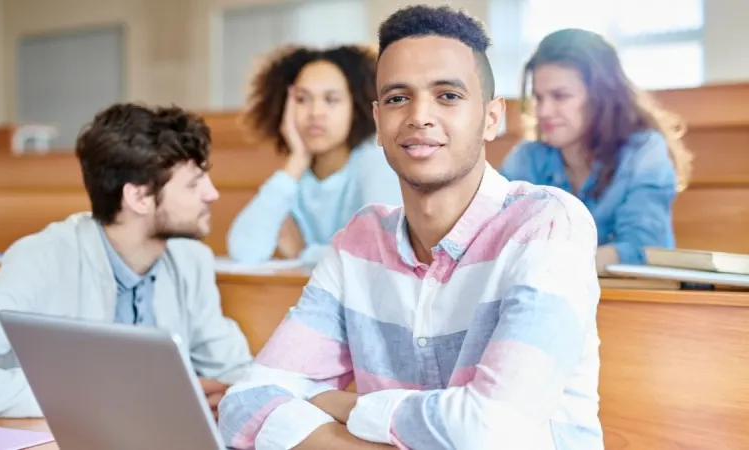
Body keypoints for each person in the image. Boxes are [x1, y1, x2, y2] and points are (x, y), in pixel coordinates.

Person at [218, 5, 603, 450]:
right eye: (399, 98)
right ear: (379, 121)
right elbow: (245, 403)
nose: (419, 116)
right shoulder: (358, 242)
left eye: (448, 96)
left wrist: (349, 406)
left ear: (492, 117)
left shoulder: (547, 224)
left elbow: (493, 430)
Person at [0, 104, 253, 419]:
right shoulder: (42, 258)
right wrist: (94, 397)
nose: (213, 194)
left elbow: (235, 369)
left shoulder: (191, 260)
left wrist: (233, 391)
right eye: (193, 183)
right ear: (139, 198)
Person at [499, 28, 693, 273]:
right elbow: (493, 241)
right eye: (539, 97)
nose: (544, 111)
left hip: (630, 301)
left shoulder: (644, 151)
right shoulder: (526, 158)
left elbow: (642, 250)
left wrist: (545, 264)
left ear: (602, 97)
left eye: (560, 96)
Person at [227, 44, 402, 265]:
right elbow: (244, 252)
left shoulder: (375, 161)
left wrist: (305, 253)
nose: (315, 113)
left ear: (356, 107)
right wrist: (296, 162)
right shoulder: (293, 179)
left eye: (331, 100)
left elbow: (378, 252)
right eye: (302, 99)